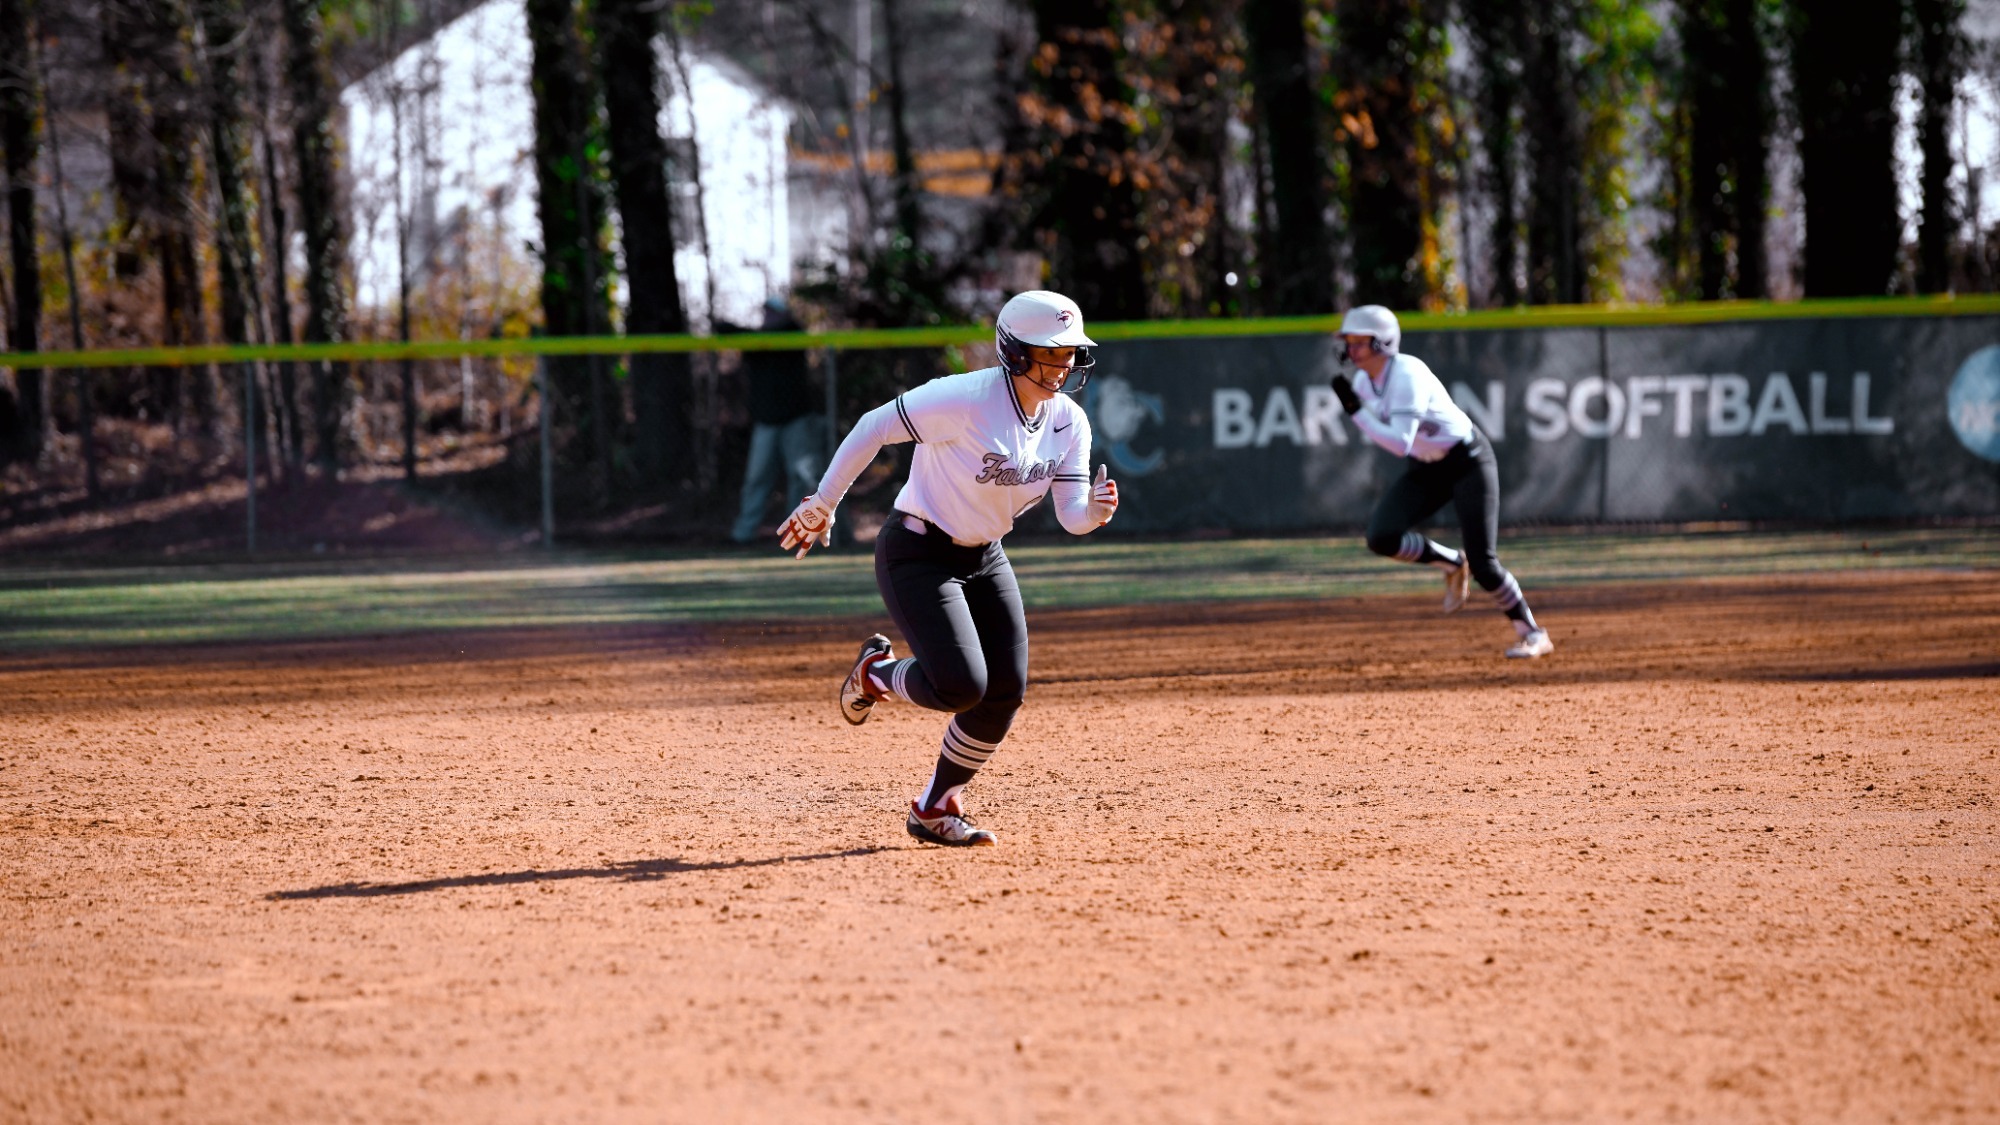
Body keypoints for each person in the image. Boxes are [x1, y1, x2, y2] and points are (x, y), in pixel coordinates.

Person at [777, 290, 1120, 847]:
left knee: (1004, 693)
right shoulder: (964, 398)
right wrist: (824, 501)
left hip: (984, 555)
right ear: (1013, 352)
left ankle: (935, 806)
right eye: (1050, 352)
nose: (1063, 364)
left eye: (1069, 353)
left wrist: (1095, 512)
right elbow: (872, 426)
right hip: (917, 552)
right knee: (961, 685)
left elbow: (1072, 516)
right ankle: (876, 675)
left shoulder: (1069, 423)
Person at [1328, 304, 1554, 659]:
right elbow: (1403, 445)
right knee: (1381, 537)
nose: (1351, 350)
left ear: (1383, 343)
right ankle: (1451, 561)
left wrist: (1357, 413)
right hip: (1427, 466)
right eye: (1349, 342)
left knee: (1484, 564)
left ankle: (1532, 632)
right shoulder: (1363, 382)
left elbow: (1400, 443)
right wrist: (1359, 410)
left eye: (1359, 342)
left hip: (1467, 460)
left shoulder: (1406, 375)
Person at [729, 298, 824, 544]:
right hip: (766, 421)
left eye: (774, 312)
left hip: (797, 419)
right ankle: (743, 534)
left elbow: (781, 333)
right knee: (756, 478)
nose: (768, 316)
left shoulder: (792, 334)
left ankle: (799, 533)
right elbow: (726, 330)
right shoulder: (756, 341)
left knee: (802, 477)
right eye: (766, 312)